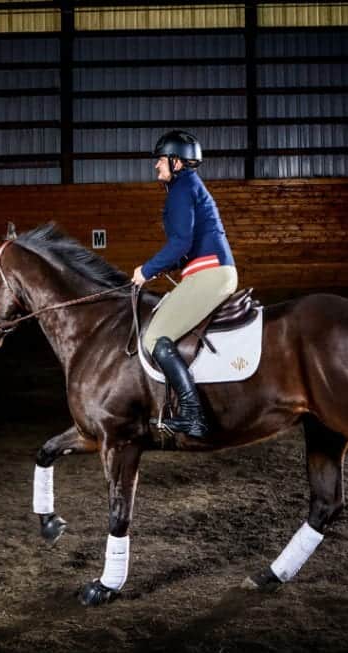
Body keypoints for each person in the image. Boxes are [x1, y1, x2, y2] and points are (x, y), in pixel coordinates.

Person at [132, 130, 237, 438]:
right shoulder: (188, 186)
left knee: (154, 337)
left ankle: (193, 415)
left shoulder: (181, 188)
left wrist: (146, 269)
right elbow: (186, 247)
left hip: (211, 273)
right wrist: (158, 269)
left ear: (176, 162)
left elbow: (180, 242)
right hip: (210, 269)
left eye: (161, 160)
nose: (156, 166)